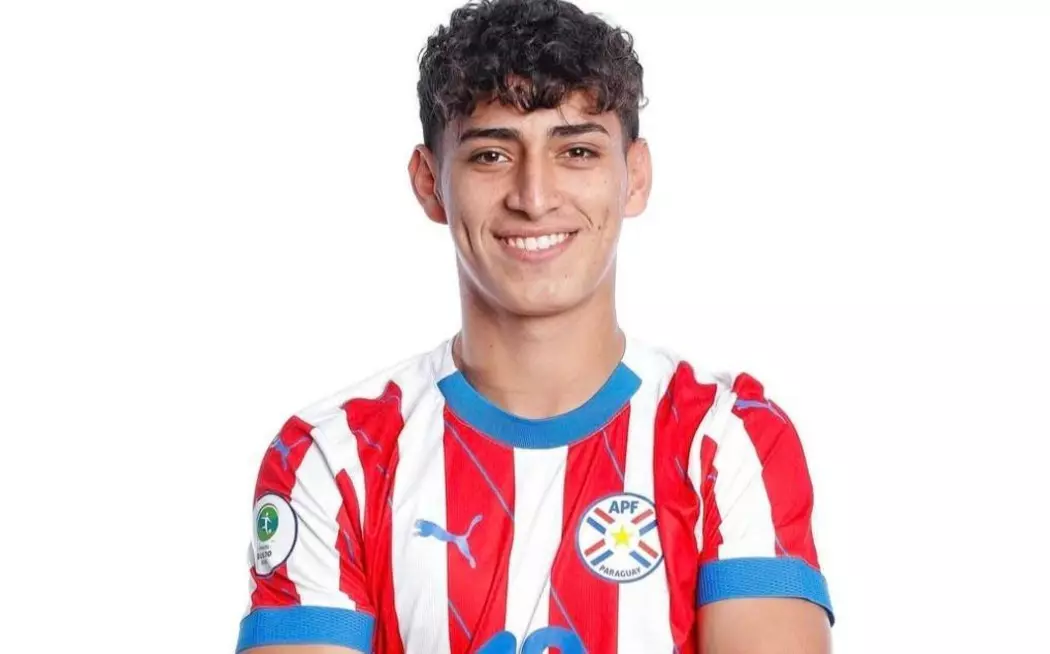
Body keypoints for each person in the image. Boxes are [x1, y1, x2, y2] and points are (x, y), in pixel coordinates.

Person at [235, 0, 834, 652]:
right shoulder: (334, 458)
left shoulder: (724, 441)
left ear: (634, 177)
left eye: (576, 150)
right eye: (491, 155)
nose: (535, 196)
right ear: (430, 183)